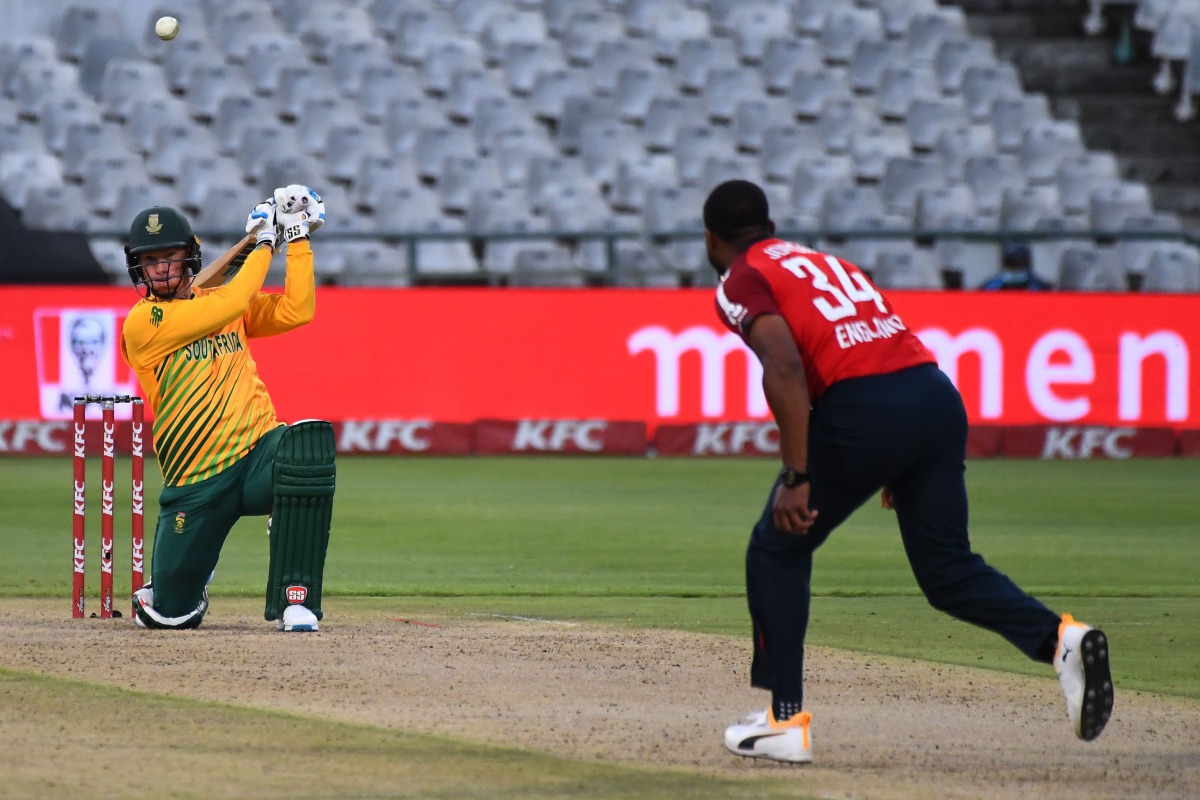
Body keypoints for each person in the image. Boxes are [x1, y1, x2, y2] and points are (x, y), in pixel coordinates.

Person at [704, 180, 1113, 764]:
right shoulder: (828, 261)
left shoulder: (739, 278)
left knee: (778, 545)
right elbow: (883, 340)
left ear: (712, 238)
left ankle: (784, 722)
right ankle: (1061, 641)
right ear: (769, 226)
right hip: (933, 395)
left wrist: (797, 477)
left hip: (865, 405)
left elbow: (786, 365)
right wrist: (899, 456)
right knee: (948, 571)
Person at [119, 185, 336, 632]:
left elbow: (298, 311)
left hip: (258, 451)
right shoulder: (144, 323)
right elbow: (237, 299)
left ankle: (297, 601)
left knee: (306, 449)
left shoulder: (218, 302)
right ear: (137, 267)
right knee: (170, 615)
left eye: (169, 257)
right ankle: (185, 581)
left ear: (191, 257)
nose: (160, 269)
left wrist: (296, 240)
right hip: (197, 478)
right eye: (149, 261)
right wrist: (263, 240)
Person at [980, 241, 1054, 290]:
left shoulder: (1042, 288)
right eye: (1010, 265)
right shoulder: (989, 287)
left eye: (1017, 265)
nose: (1013, 270)